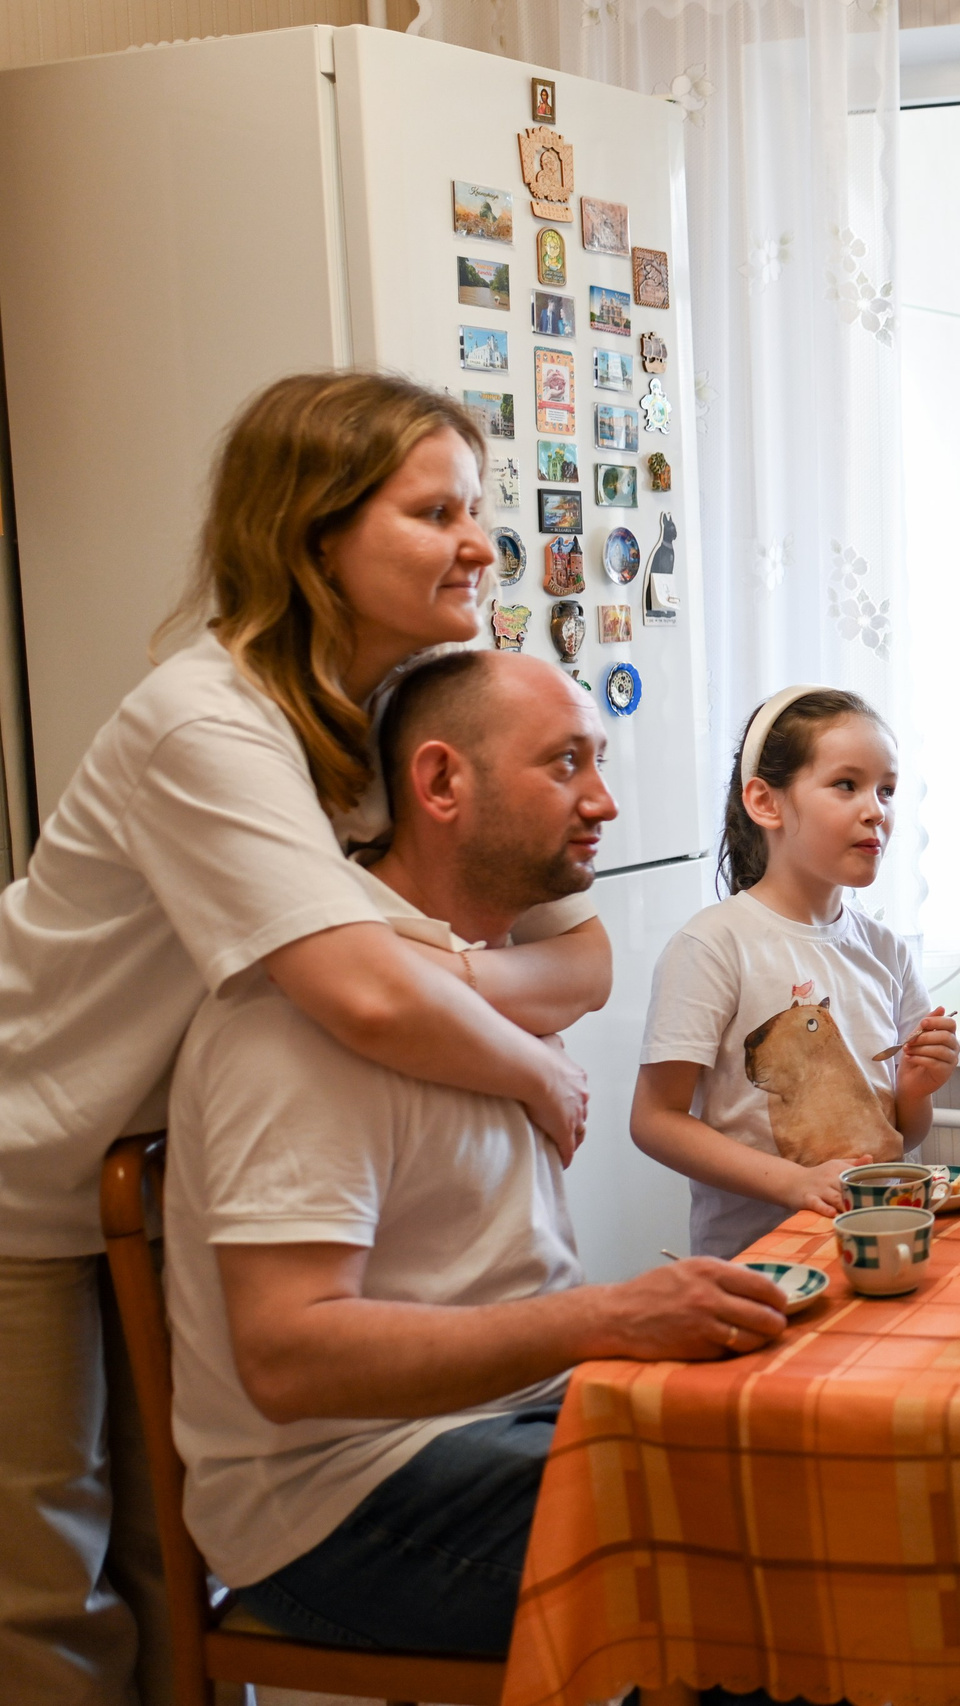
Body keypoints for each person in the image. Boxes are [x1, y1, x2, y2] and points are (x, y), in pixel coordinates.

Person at [0, 372, 608, 1705]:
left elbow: (577, 953)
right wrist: (531, 1065)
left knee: (165, 1567)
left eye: (481, 509)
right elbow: (368, 998)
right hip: (26, 1161)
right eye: (432, 509)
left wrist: (453, 976)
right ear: (313, 535)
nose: (479, 542)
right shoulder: (205, 724)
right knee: (51, 1582)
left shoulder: (370, 726)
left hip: (164, 1149)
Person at [163, 649, 787, 1657]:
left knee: (792, 1454)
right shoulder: (300, 1022)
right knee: (761, 1571)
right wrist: (608, 1316)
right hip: (342, 1498)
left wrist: (614, 1329)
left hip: (506, 1419)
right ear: (442, 782)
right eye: (565, 764)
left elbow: (586, 965)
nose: (606, 801)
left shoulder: (488, 981)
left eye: (600, 760)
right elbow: (286, 1356)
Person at [632, 686, 960, 1257]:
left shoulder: (886, 950)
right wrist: (796, 1183)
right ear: (766, 803)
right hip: (761, 1265)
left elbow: (904, 1135)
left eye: (887, 790)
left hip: (880, 1244)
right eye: (846, 784)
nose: (875, 810)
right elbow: (655, 1121)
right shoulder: (713, 945)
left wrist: (914, 1087)